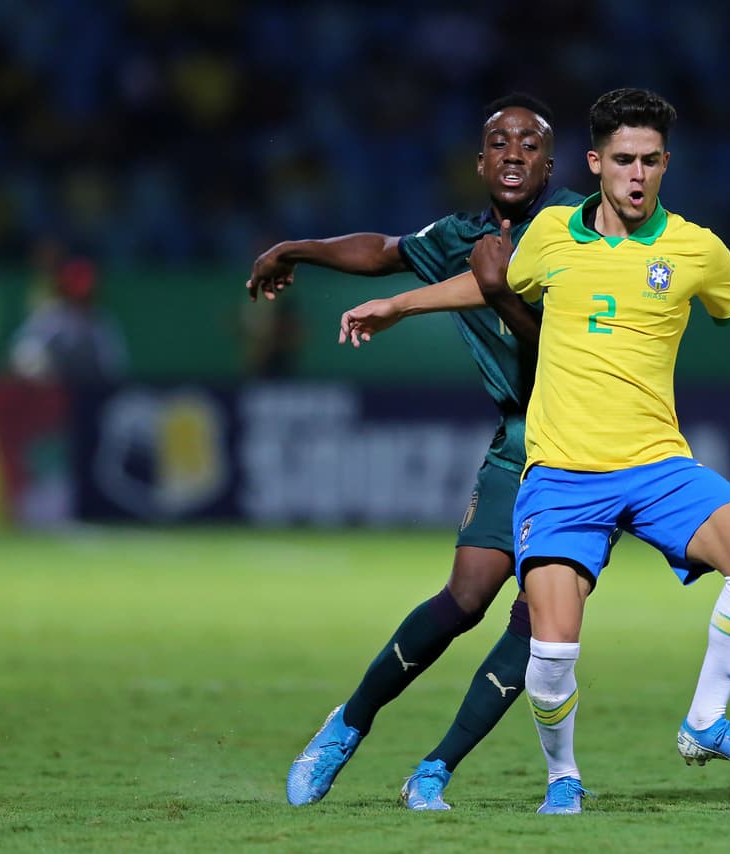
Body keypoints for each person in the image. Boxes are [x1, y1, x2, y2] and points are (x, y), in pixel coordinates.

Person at [477, 87, 730, 814]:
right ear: (596, 163)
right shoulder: (551, 236)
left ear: (666, 165)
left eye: (651, 161)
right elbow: (497, 285)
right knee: (553, 652)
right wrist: (396, 304)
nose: (637, 175)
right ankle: (563, 774)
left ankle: (705, 721)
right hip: (563, 474)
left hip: (657, 466)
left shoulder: (696, 248)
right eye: (623, 160)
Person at [250, 93, 584, 810]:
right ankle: (345, 726)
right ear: (481, 161)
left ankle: (435, 769)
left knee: (539, 622)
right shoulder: (461, 234)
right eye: (500, 142)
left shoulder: (577, 230)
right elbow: (385, 251)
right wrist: (295, 250)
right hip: (518, 441)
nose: (514, 153)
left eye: (530, 144)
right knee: (464, 599)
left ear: (551, 165)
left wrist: (496, 293)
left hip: (587, 451)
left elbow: (571, 350)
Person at [9, 256, 128, 385]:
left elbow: (114, 367)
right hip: (53, 389)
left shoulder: (101, 321)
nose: (81, 300)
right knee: (32, 354)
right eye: (76, 295)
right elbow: (23, 352)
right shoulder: (51, 316)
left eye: (85, 295)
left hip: (91, 391)